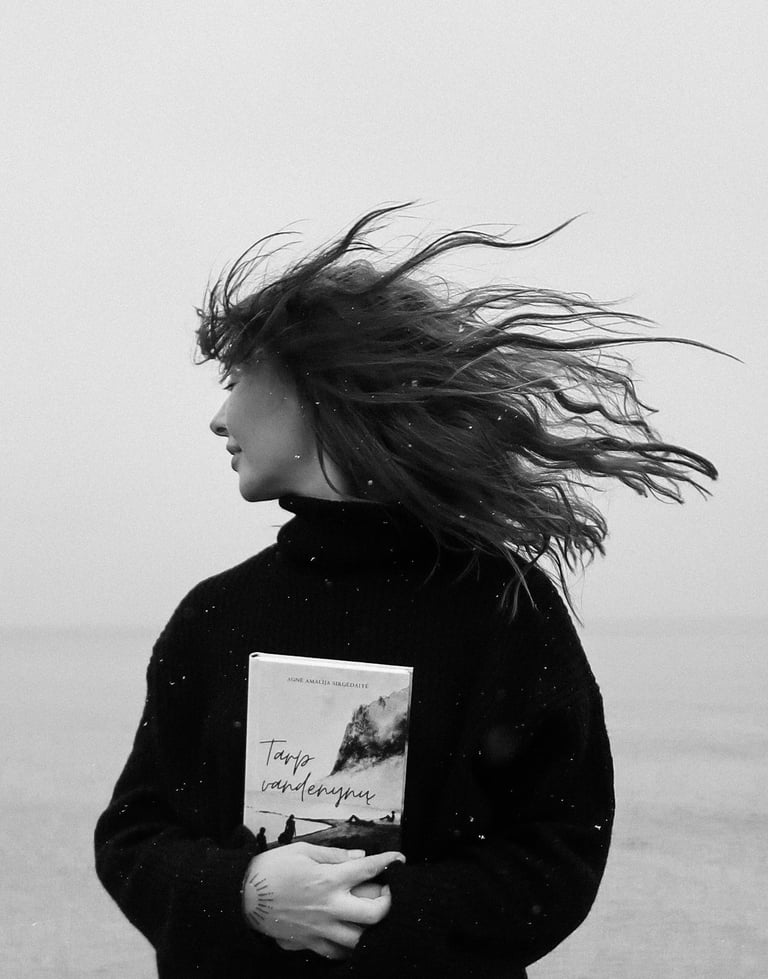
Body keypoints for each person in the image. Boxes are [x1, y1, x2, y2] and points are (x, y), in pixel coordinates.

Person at [94, 205, 718, 978]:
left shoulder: (500, 606)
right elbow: (134, 836)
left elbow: (558, 855)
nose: (219, 417)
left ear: (318, 388)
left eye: (238, 377)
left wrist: (370, 916)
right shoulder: (216, 613)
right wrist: (247, 893)